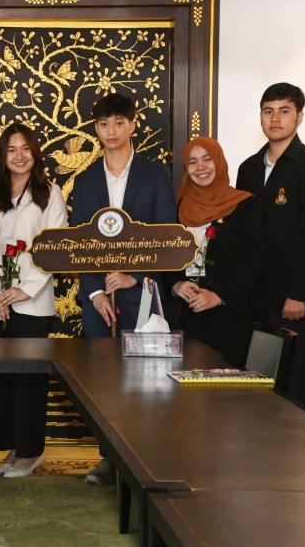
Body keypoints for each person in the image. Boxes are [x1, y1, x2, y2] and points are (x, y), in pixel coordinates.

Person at [68, 92, 176, 485]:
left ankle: (142, 459)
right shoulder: (85, 181)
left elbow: (165, 238)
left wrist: (136, 276)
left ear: (133, 125)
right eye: (103, 124)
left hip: (142, 295)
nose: (111, 131)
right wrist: (95, 292)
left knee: (144, 382)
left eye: (118, 123)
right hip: (100, 301)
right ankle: (108, 459)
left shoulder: (154, 175)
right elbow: (78, 244)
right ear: (95, 129)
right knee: (103, 381)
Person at [236, 82, 305, 402]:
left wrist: (298, 294)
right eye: (268, 111)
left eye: (284, 111)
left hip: (296, 303)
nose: (275, 118)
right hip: (256, 299)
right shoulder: (248, 169)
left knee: (294, 391)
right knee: (258, 393)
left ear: (299, 116)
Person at [0, 123, 67, 478]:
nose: (19, 156)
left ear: (35, 153)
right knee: (3, 378)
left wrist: (24, 289)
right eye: (11, 149)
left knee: (29, 378)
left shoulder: (50, 194)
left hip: (33, 301)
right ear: (2, 155)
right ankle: (13, 448)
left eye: (25, 148)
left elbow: (55, 247)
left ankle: (31, 453)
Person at [168, 137, 267, 368]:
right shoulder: (179, 207)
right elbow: (165, 256)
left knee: (223, 387)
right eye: (193, 162)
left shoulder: (245, 205)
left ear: (219, 162)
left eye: (207, 159)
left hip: (229, 321)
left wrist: (218, 296)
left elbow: (255, 261)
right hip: (186, 319)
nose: (200, 167)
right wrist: (177, 285)